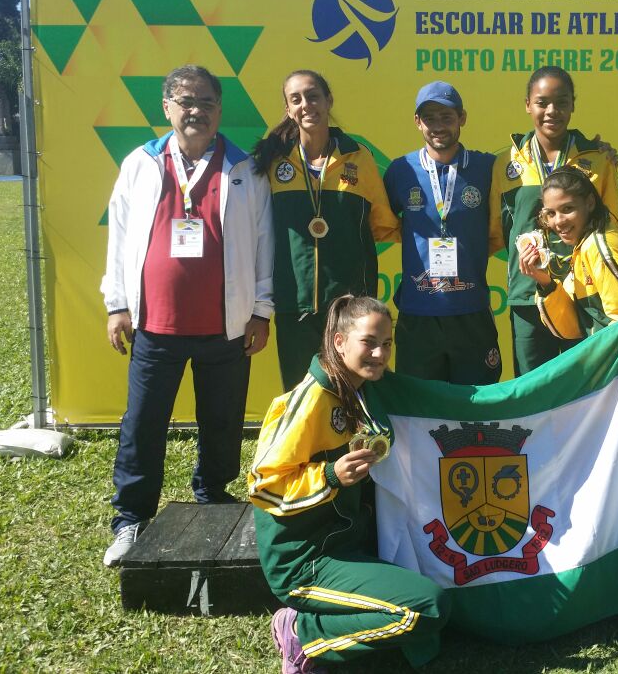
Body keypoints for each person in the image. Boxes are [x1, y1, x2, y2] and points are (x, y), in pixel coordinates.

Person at [100, 64, 274, 567]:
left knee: (221, 422)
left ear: (220, 110)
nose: (195, 110)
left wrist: (261, 311)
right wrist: (117, 304)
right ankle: (130, 518)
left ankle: (212, 497)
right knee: (143, 424)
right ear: (167, 108)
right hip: (155, 323)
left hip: (228, 324)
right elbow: (119, 235)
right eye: (184, 100)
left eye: (205, 102)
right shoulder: (141, 162)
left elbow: (263, 244)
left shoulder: (245, 168)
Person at [248, 295, 450, 673]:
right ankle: (303, 633)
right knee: (425, 609)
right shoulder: (310, 400)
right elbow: (263, 485)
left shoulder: (363, 389)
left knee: (430, 629)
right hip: (306, 560)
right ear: (339, 342)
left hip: (349, 539)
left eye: (387, 343)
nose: (380, 353)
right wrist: (329, 476)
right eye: (369, 342)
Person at [252, 70, 399, 390]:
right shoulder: (271, 160)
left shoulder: (358, 157)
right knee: (300, 393)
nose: (306, 105)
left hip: (351, 306)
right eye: (296, 99)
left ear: (328, 100)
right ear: (288, 108)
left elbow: (382, 225)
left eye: (313, 95)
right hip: (295, 302)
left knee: (355, 392)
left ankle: (356, 443)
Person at [491, 66, 618, 375]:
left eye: (562, 102)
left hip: (584, 295)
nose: (552, 111)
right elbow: (497, 231)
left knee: (582, 389)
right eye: (542, 102)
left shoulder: (598, 160)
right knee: (531, 390)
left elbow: (612, 229)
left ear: (573, 105)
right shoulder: (505, 163)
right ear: (527, 104)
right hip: (528, 295)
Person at [383, 81, 502, 384]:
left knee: (477, 404)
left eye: (446, 117)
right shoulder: (401, 171)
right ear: (417, 122)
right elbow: (381, 221)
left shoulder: (488, 167)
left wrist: (595, 153)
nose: (438, 126)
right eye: (430, 118)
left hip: (471, 310)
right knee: (420, 405)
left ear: (462, 118)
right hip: (418, 312)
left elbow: (537, 176)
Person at [519, 166, 618, 340]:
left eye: (567, 209)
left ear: (590, 203)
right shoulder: (586, 244)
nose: (559, 222)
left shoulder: (600, 246)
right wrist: (545, 282)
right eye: (551, 213)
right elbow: (574, 327)